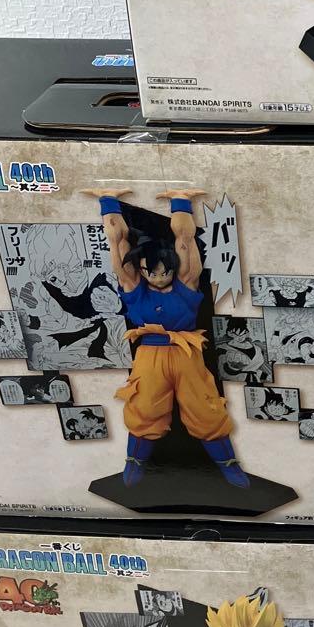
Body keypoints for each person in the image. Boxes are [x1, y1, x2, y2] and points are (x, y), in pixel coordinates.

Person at [82, 187, 249, 488]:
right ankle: (135, 461)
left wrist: (181, 201)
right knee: (144, 408)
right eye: (151, 273)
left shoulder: (186, 284)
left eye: (164, 273)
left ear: (172, 268)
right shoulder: (135, 288)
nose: (158, 278)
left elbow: (185, 240)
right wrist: (108, 202)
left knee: (205, 408)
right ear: (142, 270)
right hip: (150, 356)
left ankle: (228, 464)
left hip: (186, 353)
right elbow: (117, 243)